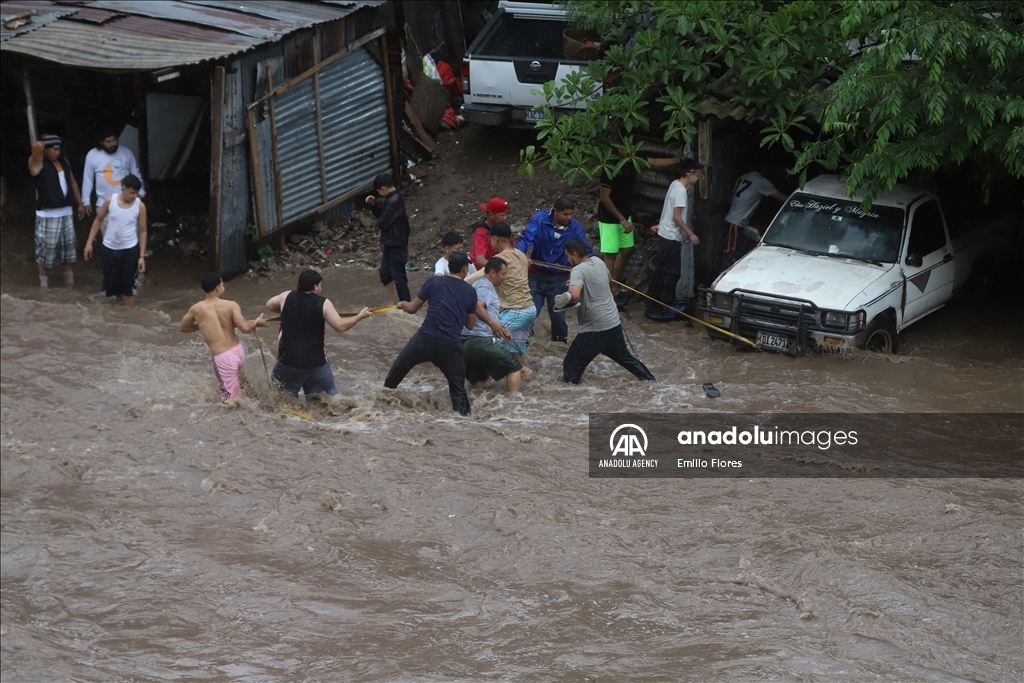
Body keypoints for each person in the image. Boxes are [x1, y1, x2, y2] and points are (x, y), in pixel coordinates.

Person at [384, 251, 478, 415]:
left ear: (449, 267)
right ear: (465, 269)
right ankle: (463, 425)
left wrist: (403, 304)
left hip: (424, 340)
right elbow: (470, 325)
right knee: (459, 393)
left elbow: (412, 309)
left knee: (396, 373)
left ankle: (381, 404)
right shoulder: (470, 292)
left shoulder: (434, 282)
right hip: (450, 347)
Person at [554, 238, 655, 384]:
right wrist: (580, 284)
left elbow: (574, 296)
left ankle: (570, 398)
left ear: (575, 255)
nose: (568, 259)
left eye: (568, 256)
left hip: (594, 329)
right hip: (613, 323)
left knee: (571, 365)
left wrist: (564, 298)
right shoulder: (598, 261)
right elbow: (608, 280)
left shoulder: (577, 270)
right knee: (627, 360)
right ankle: (651, 381)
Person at [597, 148, 684, 305]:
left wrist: (680, 159)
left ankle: (615, 285)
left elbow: (656, 162)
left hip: (624, 214)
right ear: (618, 149)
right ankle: (607, 292)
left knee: (628, 249)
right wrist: (622, 219)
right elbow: (604, 198)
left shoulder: (634, 159)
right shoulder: (609, 167)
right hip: (609, 217)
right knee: (610, 254)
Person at [265, 269, 371, 399]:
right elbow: (341, 326)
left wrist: (284, 310)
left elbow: (269, 305)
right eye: (320, 285)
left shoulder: (286, 297)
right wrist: (360, 316)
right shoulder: (324, 303)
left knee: (281, 401)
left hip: (289, 363)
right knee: (327, 401)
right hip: (317, 364)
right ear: (315, 287)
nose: (321, 287)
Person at [179, 273, 266, 402]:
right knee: (240, 385)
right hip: (238, 351)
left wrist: (204, 325)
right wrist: (257, 323)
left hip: (224, 358)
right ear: (217, 288)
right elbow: (246, 328)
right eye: (223, 285)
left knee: (228, 401)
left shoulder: (196, 309)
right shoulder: (231, 305)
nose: (223, 288)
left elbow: (183, 328)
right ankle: (257, 402)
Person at [516, 196, 591, 342]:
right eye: (565, 214)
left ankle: (560, 345)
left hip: (559, 277)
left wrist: (591, 267)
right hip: (535, 274)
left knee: (558, 316)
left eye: (571, 214)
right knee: (531, 311)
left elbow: (585, 251)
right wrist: (520, 254)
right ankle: (521, 341)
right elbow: (526, 238)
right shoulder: (540, 219)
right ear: (555, 211)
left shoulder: (575, 227)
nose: (569, 218)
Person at [465, 222, 537, 373]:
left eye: (490, 239)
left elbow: (477, 277)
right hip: (529, 308)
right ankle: (526, 380)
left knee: (486, 341)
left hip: (516, 310)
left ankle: (515, 372)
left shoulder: (500, 260)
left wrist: (452, 284)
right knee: (512, 349)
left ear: (495, 239)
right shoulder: (522, 255)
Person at [646, 159, 704, 322]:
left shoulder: (675, 184)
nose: (698, 179)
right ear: (689, 174)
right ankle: (666, 304)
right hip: (672, 236)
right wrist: (691, 234)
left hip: (666, 233)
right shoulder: (680, 192)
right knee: (672, 272)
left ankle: (654, 301)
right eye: (697, 176)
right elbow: (677, 217)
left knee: (663, 269)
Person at [28, 134, 85, 288]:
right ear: (45, 150)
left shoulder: (64, 161)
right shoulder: (37, 163)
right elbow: (36, 146)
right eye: (53, 150)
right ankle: (44, 285)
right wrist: (45, 140)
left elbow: (72, 181)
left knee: (69, 251)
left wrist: (79, 203)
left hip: (66, 211)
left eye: (58, 149)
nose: (56, 152)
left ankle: (69, 283)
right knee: (45, 252)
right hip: (48, 213)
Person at [83, 174, 146, 307]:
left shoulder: (140, 206)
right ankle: (112, 321)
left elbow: (143, 231)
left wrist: (141, 256)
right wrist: (89, 243)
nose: (134, 196)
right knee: (109, 287)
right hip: (109, 249)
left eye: (136, 193)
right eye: (132, 193)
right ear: (123, 189)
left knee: (129, 289)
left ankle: (127, 317)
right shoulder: (109, 201)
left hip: (130, 250)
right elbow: (98, 220)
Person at [461, 257, 522, 393]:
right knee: (515, 369)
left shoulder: (476, 284)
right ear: (493, 273)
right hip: (480, 341)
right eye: (504, 274)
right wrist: (493, 324)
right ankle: (515, 407)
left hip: (466, 343)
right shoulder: (485, 286)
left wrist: (497, 328)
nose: (505, 278)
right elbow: (477, 307)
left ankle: (476, 411)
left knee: (480, 381)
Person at [721, 163, 789, 269]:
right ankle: (722, 279)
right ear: (764, 167)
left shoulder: (742, 178)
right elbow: (781, 197)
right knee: (731, 254)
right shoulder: (762, 182)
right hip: (736, 223)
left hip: (733, 221)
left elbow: (731, 201)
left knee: (737, 253)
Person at [81, 127, 145, 219]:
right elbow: (88, 179)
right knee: (107, 233)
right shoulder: (92, 155)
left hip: (127, 202)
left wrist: (141, 193)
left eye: (114, 140)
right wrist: (86, 201)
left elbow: (136, 174)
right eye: (108, 141)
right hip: (103, 203)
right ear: (101, 142)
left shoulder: (126, 152)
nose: (112, 144)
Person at [365, 173, 410, 304]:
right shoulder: (391, 199)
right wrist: (374, 205)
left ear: (383, 188)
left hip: (397, 244)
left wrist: (378, 214)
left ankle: (405, 304)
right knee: (385, 274)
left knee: (399, 276)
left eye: (379, 191)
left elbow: (382, 222)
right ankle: (391, 303)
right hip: (390, 243)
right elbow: (383, 215)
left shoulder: (395, 200)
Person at [469, 197, 509, 270]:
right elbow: (480, 261)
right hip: (481, 270)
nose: (504, 218)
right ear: (491, 215)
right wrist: (500, 267)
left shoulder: (503, 224)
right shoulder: (480, 233)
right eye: (502, 215)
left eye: (505, 214)